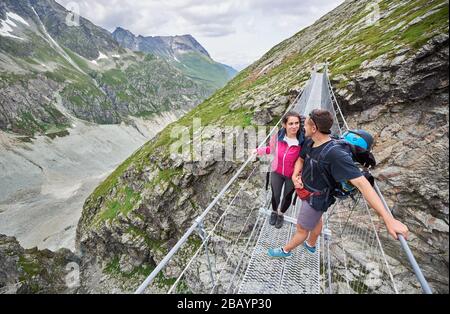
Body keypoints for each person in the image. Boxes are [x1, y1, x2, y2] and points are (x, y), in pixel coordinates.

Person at [268, 109, 409, 257]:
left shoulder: (335, 154)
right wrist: (296, 175)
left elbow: (362, 184)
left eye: (306, 125)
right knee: (317, 218)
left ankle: (286, 251)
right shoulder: (310, 141)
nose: (303, 127)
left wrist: (388, 219)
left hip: (316, 198)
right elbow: (301, 159)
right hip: (310, 193)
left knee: (302, 229)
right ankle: (311, 244)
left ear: (314, 128)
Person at [254, 111, 305, 229]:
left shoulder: (302, 141)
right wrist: (258, 151)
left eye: (297, 123)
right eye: (291, 123)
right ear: (284, 125)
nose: (294, 126)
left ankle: (281, 214)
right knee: (275, 194)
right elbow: (270, 149)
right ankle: (274, 212)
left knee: (287, 196)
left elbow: (303, 159)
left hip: (292, 175)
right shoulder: (277, 137)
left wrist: (300, 175)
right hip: (276, 171)